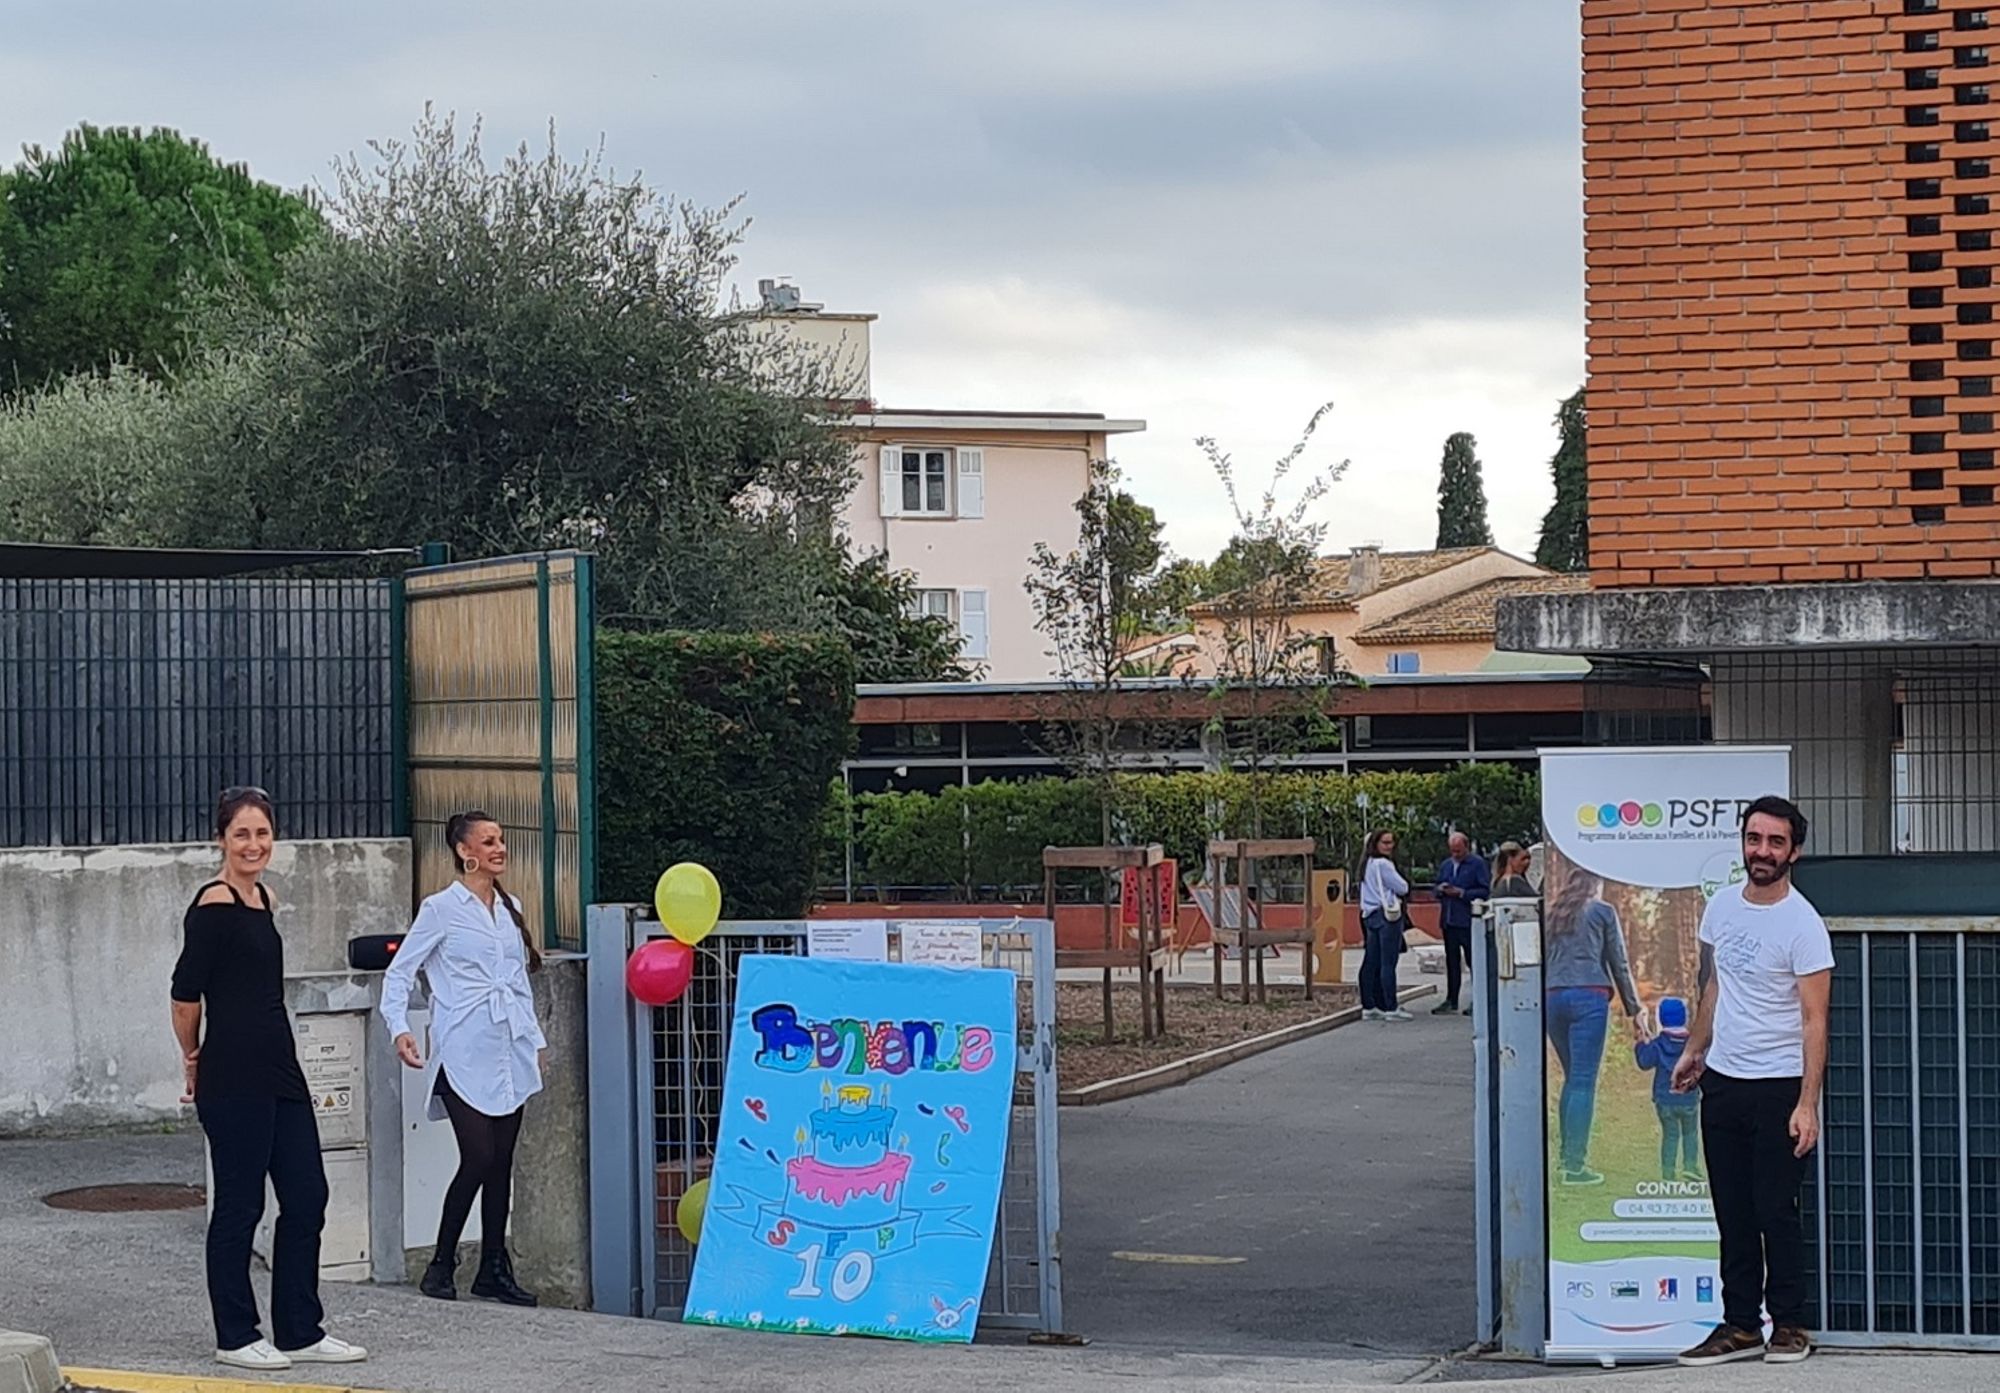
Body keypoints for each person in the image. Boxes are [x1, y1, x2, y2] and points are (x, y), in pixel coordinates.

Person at [170, 787, 368, 1372]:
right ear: (221, 840)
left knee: (308, 1194)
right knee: (240, 1205)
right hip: (232, 1075)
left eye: (262, 834)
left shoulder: (263, 899)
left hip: (280, 1070)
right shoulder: (212, 906)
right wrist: (191, 1056)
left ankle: (300, 1329)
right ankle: (235, 1335)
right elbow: (185, 997)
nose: (254, 845)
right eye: (242, 835)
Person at [1673, 796, 1833, 1368]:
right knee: (1733, 1211)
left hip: (1778, 1085)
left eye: (1774, 842)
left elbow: (1816, 1020)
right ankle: (1739, 1325)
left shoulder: (1804, 925)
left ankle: (1788, 1324)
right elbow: (1717, 985)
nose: (1761, 851)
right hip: (1724, 1082)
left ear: (1795, 851)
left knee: (1774, 1210)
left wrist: (1806, 1103)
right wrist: (1696, 1048)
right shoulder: (1721, 908)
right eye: (1754, 839)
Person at [381, 810, 546, 1307]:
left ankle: (494, 1267)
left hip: (507, 1048)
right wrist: (400, 1029)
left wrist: (534, 1042)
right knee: (478, 1156)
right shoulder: (440, 909)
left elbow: (518, 985)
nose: (499, 848)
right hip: (463, 1048)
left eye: (502, 839)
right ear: (464, 851)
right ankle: (441, 1263)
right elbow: (400, 972)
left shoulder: (510, 906)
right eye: (489, 841)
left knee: (502, 1164)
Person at [1542, 866, 1642, 1187]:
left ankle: (1564, 1160)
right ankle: (1574, 1166)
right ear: (1596, 884)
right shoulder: (1601, 911)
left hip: (1553, 999)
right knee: (1583, 1082)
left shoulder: (1555, 913)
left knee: (1572, 1081)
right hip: (1590, 997)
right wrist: (1634, 1009)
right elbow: (1618, 962)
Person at [1634, 996, 1701, 1183]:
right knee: (1690, 1132)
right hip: (1688, 1098)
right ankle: (1690, 1167)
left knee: (1670, 1135)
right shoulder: (1692, 1044)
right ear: (1684, 1018)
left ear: (1662, 1019)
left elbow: (1644, 1062)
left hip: (1665, 1100)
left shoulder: (1657, 1044)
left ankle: (1668, 1173)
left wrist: (1640, 1043)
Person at [1433, 831, 1489, 1016]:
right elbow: (1436, 886)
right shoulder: (1447, 865)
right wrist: (1441, 890)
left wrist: (1462, 893)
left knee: (1474, 962)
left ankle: (1478, 999)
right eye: (1452, 851)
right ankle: (1451, 999)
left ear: (1466, 847)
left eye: (1458, 851)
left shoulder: (1477, 864)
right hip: (1449, 920)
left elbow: (1484, 890)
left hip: (1467, 920)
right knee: (1452, 962)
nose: (1455, 855)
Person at [1358, 829, 1411, 1023]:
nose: (1390, 846)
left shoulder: (1367, 864)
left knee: (1371, 960)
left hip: (1369, 914)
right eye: (1385, 843)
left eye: (1391, 842)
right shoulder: (1384, 864)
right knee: (1388, 962)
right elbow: (1402, 887)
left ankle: (1370, 1004)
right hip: (1387, 915)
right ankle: (1390, 1006)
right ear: (1376, 844)